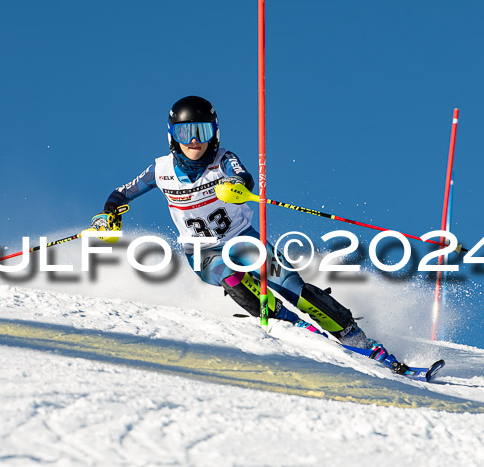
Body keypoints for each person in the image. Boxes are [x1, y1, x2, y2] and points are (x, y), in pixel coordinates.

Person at [90, 95, 407, 372]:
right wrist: (109, 215)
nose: (194, 141)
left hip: (246, 240)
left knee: (295, 288)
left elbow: (243, 176)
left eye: (202, 131)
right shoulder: (160, 170)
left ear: (214, 132)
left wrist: (237, 188)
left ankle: (355, 337)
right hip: (203, 254)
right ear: (172, 136)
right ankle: (289, 325)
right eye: (186, 133)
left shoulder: (222, 159)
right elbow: (122, 193)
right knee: (233, 278)